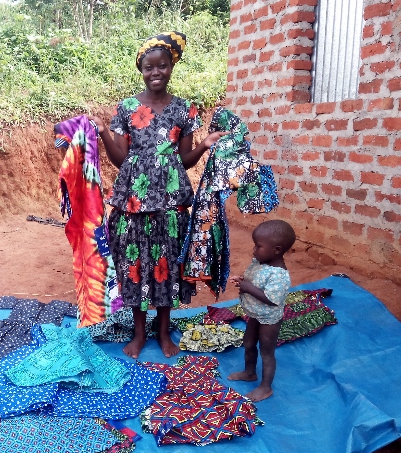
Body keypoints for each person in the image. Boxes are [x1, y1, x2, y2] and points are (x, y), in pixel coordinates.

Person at [89, 32, 229, 359]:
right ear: (141, 69)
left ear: (171, 67)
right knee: (135, 266)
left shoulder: (184, 109)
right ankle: (139, 334)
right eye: (149, 67)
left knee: (166, 265)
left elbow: (183, 160)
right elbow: (121, 159)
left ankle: (164, 333)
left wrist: (204, 146)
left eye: (162, 66)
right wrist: (104, 133)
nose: (156, 73)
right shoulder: (126, 108)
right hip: (133, 202)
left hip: (170, 202)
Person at [228, 219, 296, 401]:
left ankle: (266, 387)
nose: (254, 250)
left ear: (277, 250)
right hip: (255, 315)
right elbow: (255, 281)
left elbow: (272, 300)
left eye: (259, 246)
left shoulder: (279, 275)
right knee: (249, 343)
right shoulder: (260, 263)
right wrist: (243, 280)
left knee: (267, 352)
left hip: (269, 320)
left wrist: (248, 288)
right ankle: (250, 372)